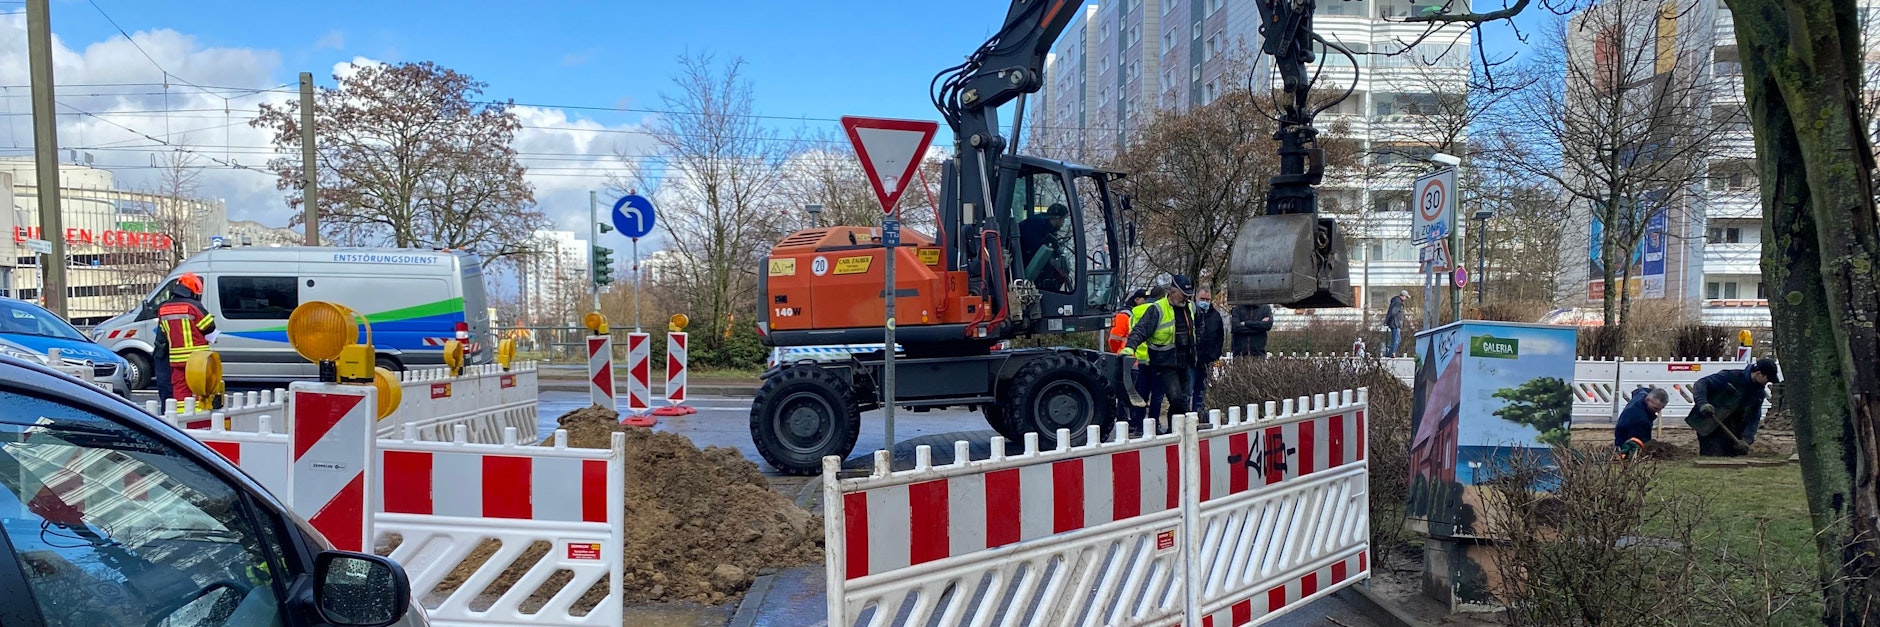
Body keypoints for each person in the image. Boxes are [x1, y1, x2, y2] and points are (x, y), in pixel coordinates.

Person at [1122, 275, 1199, 430]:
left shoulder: (1190, 307)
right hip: (1165, 363)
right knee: (1178, 399)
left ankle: (1174, 431)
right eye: (1183, 294)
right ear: (1172, 291)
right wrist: (1130, 347)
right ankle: (1181, 429)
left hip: (1185, 361)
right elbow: (1140, 330)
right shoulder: (1157, 309)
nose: (1186, 298)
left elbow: (1199, 326)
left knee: (1181, 401)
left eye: (1188, 295)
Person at [1686, 357, 1780, 457]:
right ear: (1758, 373)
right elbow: (1701, 384)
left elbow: (1754, 418)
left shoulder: (1759, 394)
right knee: (1713, 457)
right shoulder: (1730, 377)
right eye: (1767, 379)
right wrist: (1703, 404)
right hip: (1711, 426)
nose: (1767, 383)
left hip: (1733, 433)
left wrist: (1747, 440)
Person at [156, 273, 218, 402]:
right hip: (197, 360)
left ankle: (180, 418)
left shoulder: (163, 309)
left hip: (176, 360)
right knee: (200, 390)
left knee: (180, 392)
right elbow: (209, 327)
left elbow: (163, 333)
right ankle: (199, 419)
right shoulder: (194, 306)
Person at [1018, 204, 1071, 289]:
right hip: (1020, 264)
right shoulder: (1035, 225)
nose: (1063, 224)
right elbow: (1035, 252)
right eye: (1063, 220)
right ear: (1057, 218)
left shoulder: (1048, 228)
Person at [1191, 288, 1225, 409]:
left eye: (1207, 299)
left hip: (1208, 361)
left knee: (1201, 393)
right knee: (1187, 392)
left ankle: (1198, 415)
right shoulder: (1190, 313)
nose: (1205, 302)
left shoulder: (1215, 316)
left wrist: (1215, 355)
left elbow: (1220, 337)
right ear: (1196, 298)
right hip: (1191, 361)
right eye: (1202, 299)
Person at [1614, 386, 1669, 452]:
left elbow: (1639, 390)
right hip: (1625, 438)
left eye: (1661, 408)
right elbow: (1646, 444)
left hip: (1626, 424)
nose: (1658, 411)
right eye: (1656, 408)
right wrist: (1656, 443)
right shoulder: (1642, 420)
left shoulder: (1641, 394)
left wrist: (1657, 392)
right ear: (1648, 399)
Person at [1385, 290, 1408, 355]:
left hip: (1394, 323)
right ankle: (1392, 353)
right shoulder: (1398, 303)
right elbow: (1393, 312)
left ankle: (1390, 352)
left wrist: (1387, 321)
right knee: (1397, 339)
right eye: (1406, 297)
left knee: (1395, 339)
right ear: (1403, 296)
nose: (1406, 299)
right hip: (1396, 323)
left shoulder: (1395, 301)